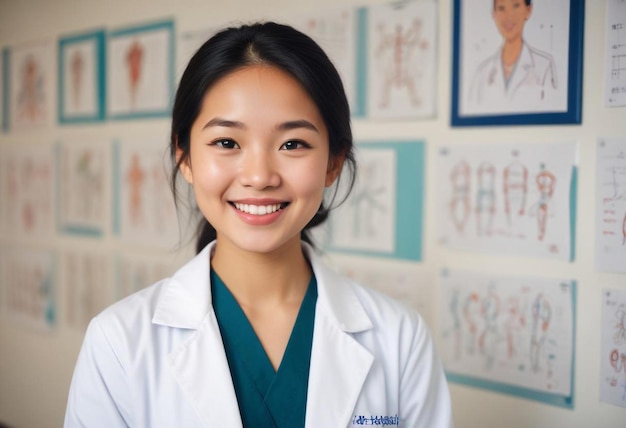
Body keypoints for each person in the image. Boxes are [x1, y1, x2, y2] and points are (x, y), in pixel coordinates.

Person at [64, 22, 453, 428]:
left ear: (333, 162)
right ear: (185, 158)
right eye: (227, 143)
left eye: (293, 144)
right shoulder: (119, 342)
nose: (260, 175)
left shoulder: (400, 338)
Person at [469, 0, 558, 111]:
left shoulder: (544, 67)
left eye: (515, 6)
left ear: (528, 10)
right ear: (494, 14)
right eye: (501, 8)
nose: (508, 16)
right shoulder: (482, 73)